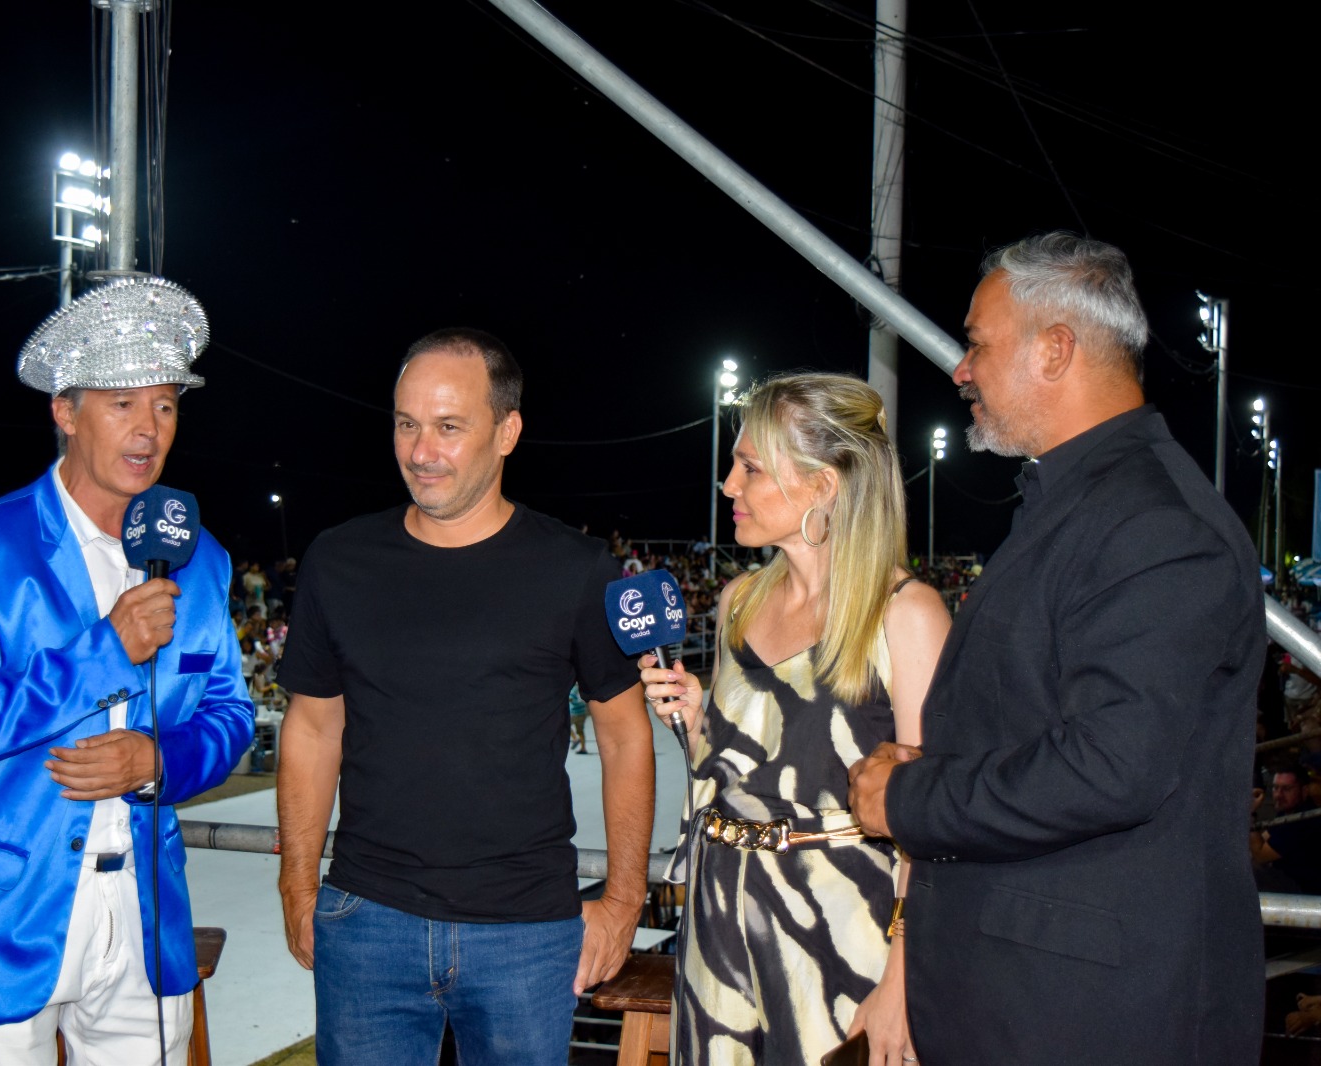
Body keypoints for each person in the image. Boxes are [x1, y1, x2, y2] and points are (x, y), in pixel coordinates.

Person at [848, 233, 1265, 1064]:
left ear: (1055, 349)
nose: (960, 369)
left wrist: (910, 799)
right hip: (1023, 999)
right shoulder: (1082, 504)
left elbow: (1112, 766)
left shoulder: (1155, 525)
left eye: (977, 342)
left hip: (1086, 1017)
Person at [277, 327, 654, 1065]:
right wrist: (297, 885)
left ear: (507, 432)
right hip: (366, 921)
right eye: (406, 424)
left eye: (450, 427)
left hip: (527, 934)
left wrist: (622, 903)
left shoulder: (579, 570)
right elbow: (313, 729)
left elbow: (624, 736)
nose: (422, 451)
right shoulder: (338, 559)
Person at [0, 276, 254, 1064]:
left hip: (143, 912)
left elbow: (230, 715)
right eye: (122, 404)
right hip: (1, 917)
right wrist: (101, 652)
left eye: (165, 405)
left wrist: (159, 760)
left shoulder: (203, 562)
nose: (148, 430)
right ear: (65, 412)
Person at [640, 373, 950, 1066]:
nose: (728, 485)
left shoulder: (906, 615)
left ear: (823, 486)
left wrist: (902, 980)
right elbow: (748, 772)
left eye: (750, 467)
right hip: (717, 927)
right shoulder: (738, 604)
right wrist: (698, 721)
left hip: (840, 935)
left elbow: (935, 821)